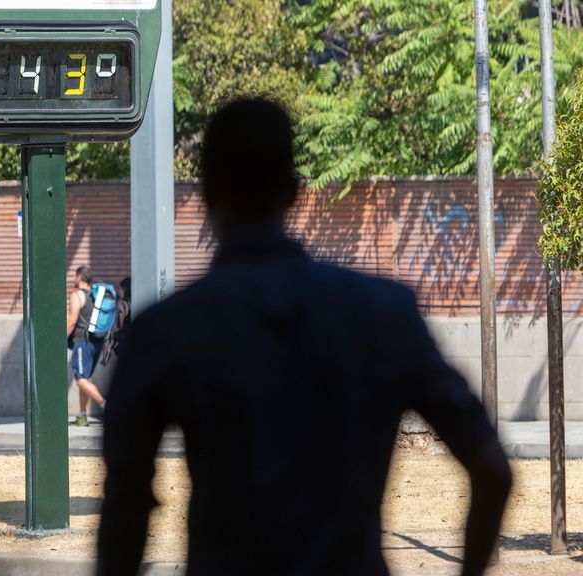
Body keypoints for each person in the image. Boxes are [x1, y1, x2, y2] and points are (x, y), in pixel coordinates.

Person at [96, 99, 512, 576]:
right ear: (294, 192)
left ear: (206, 194)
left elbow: (125, 510)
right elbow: (492, 468)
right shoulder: (384, 313)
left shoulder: (165, 331)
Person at [68, 265, 106, 427]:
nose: (74, 280)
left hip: (83, 342)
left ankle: (106, 405)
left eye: (75, 276)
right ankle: (82, 415)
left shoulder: (77, 295)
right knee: (85, 378)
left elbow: (72, 320)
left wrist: (60, 337)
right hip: (97, 341)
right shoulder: (96, 296)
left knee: (80, 379)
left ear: (80, 278)